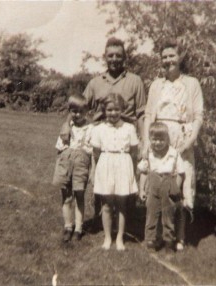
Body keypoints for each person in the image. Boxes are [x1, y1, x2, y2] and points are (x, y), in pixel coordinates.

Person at [60, 37, 146, 223]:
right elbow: (78, 106)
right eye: (111, 55)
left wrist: (144, 141)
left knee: (126, 178)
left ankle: (126, 219)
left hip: (126, 136)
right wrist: (66, 124)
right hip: (101, 137)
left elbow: (141, 114)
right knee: (100, 177)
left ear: (124, 58)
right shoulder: (95, 82)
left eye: (118, 55)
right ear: (105, 57)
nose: (114, 59)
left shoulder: (135, 81)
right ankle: (101, 216)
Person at [143, 39, 204, 250]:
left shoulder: (192, 83)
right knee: (160, 186)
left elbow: (198, 115)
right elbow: (149, 114)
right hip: (159, 137)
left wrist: (191, 139)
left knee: (180, 186)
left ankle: (180, 236)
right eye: (164, 57)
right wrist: (145, 143)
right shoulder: (156, 85)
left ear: (180, 58)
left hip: (182, 137)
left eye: (172, 55)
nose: (168, 60)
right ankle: (159, 235)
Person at [91, 93, 139, 251]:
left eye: (117, 110)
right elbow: (96, 152)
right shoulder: (98, 129)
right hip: (105, 164)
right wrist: (96, 170)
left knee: (121, 204)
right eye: (109, 110)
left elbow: (133, 151)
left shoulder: (129, 128)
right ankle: (107, 237)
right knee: (106, 204)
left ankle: (119, 238)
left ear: (122, 110)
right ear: (104, 110)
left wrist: (131, 172)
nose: (113, 113)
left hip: (123, 164)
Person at [138, 122, 185, 252]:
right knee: (151, 214)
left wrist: (175, 189)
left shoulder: (174, 154)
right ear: (150, 139)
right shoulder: (148, 154)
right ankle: (151, 241)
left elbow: (181, 173)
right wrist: (142, 189)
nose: (158, 143)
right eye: (154, 139)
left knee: (168, 215)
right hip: (153, 186)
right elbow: (143, 172)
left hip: (168, 185)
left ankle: (169, 242)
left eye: (161, 139)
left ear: (167, 139)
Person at [52, 95, 93, 242]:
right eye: (74, 111)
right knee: (66, 197)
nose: (77, 115)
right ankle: (68, 226)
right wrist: (59, 168)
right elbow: (60, 150)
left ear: (86, 112)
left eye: (81, 111)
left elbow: (92, 153)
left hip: (81, 164)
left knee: (79, 196)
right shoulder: (66, 129)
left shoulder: (90, 129)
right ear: (70, 111)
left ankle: (79, 228)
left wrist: (91, 171)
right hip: (65, 163)